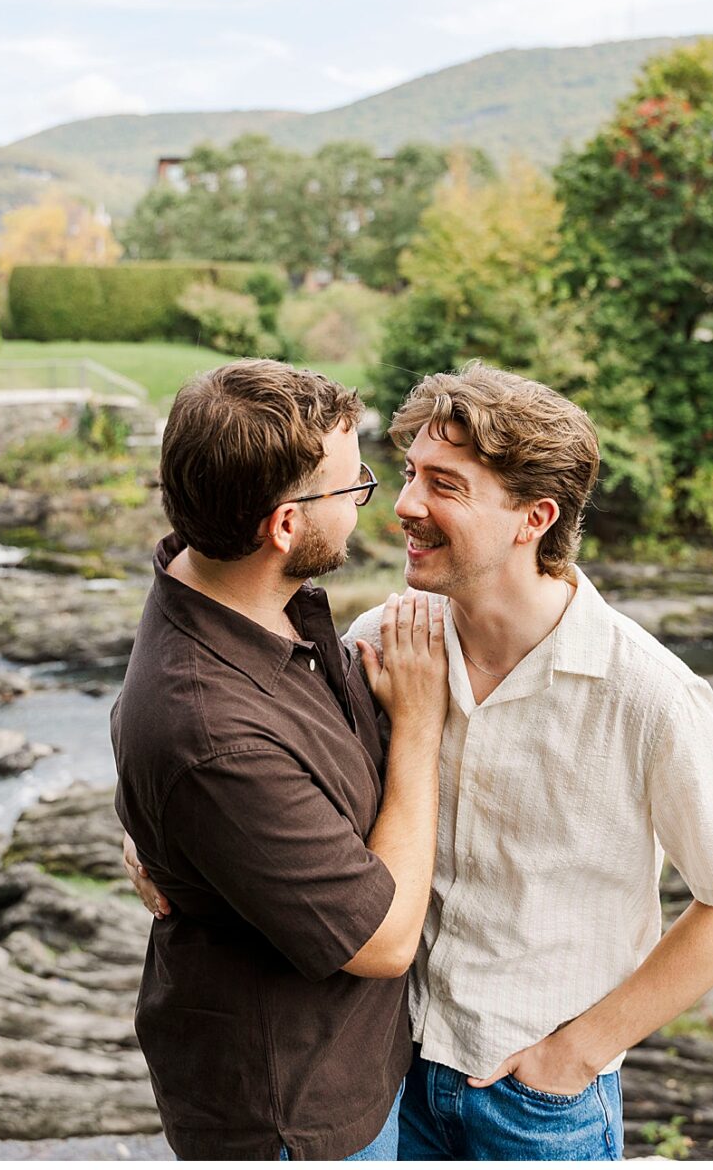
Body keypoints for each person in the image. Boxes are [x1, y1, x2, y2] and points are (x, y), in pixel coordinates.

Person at [344, 366, 713, 1163]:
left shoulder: (649, 694)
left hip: (537, 1111)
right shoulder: (384, 637)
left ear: (532, 518)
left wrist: (572, 1057)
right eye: (408, 475)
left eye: (444, 485)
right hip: (384, 1076)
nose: (404, 505)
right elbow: (272, 761)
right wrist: (157, 838)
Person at [111, 361, 449, 1161]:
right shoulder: (212, 734)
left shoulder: (228, 591)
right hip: (295, 1115)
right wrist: (421, 728)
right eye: (352, 486)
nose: (376, 501)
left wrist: (160, 828)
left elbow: (166, 741)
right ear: (285, 527)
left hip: (360, 1066)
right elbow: (385, 941)